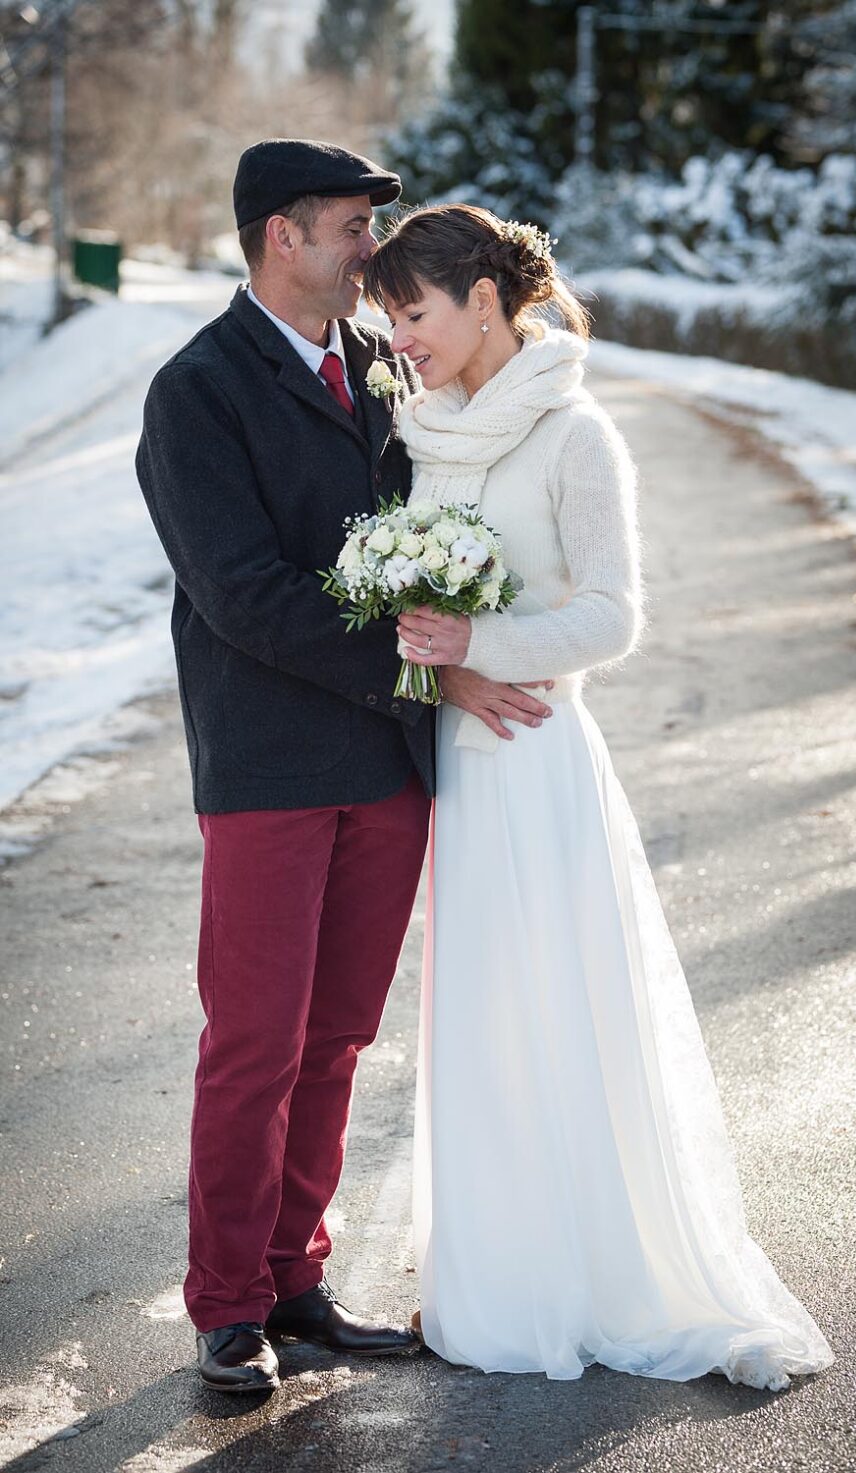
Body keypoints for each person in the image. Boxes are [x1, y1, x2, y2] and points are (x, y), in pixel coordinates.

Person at [362, 204, 836, 1391]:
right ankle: (493, 1275)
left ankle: (591, 1276)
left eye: (411, 314)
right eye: (386, 319)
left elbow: (613, 615)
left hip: (536, 755)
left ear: (482, 298)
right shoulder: (423, 431)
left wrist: (483, 640)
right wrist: (438, 661)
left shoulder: (576, 435)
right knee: (477, 1020)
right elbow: (406, 613)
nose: (399, 339)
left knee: (557, 1008)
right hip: (456, 764)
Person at [135, 142, 553, 1394]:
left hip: (386, 762)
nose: (372, 251)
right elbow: (243, 596)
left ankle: (294, 1279)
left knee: (338, 1036)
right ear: (280, 236)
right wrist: (426, 670)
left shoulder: (383, 367)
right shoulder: (195, 390)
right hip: (267, 762)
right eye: (349, 230)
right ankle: (225, 1307)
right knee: (254, 1040)